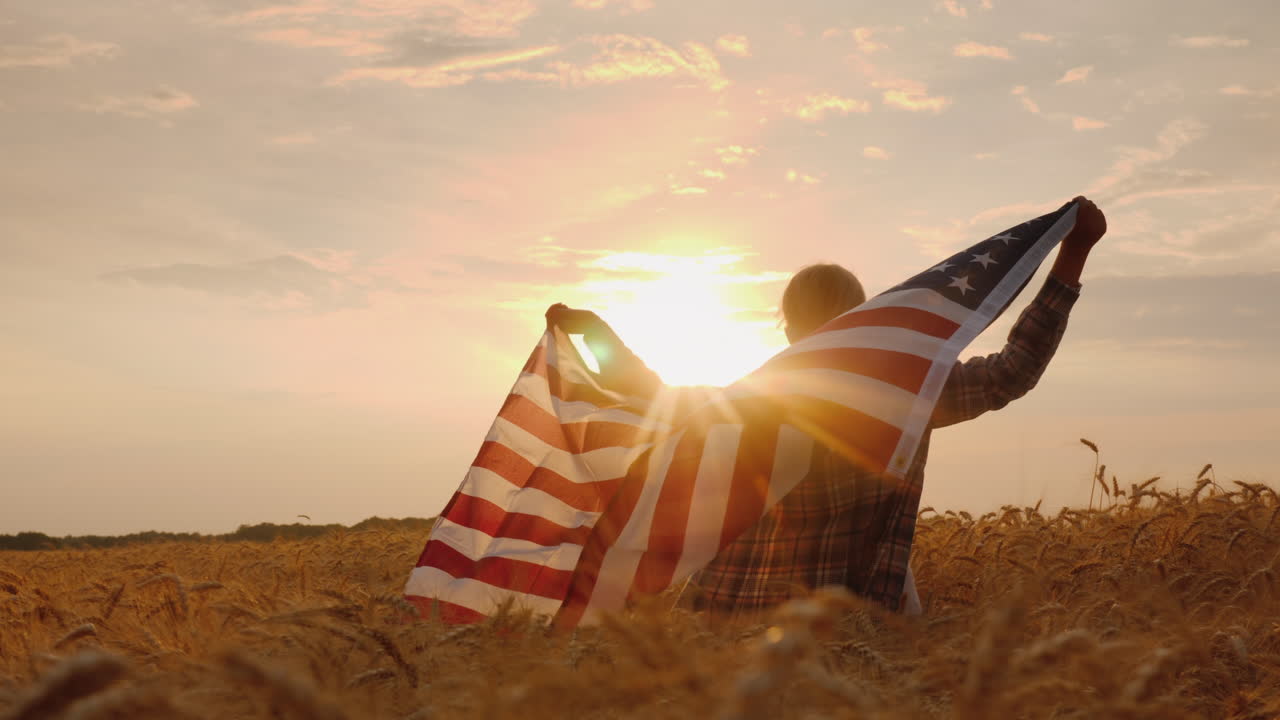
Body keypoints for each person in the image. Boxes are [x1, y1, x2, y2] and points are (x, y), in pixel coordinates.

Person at [548, 196, 1107, 616]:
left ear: (787, 327)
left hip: (728, 619)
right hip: (851, 628)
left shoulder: (755, 398)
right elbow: (1013, 370)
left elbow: (652, 398)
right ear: (865, 320)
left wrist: (592, 334)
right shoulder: (908, 391)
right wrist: (1072, 256)